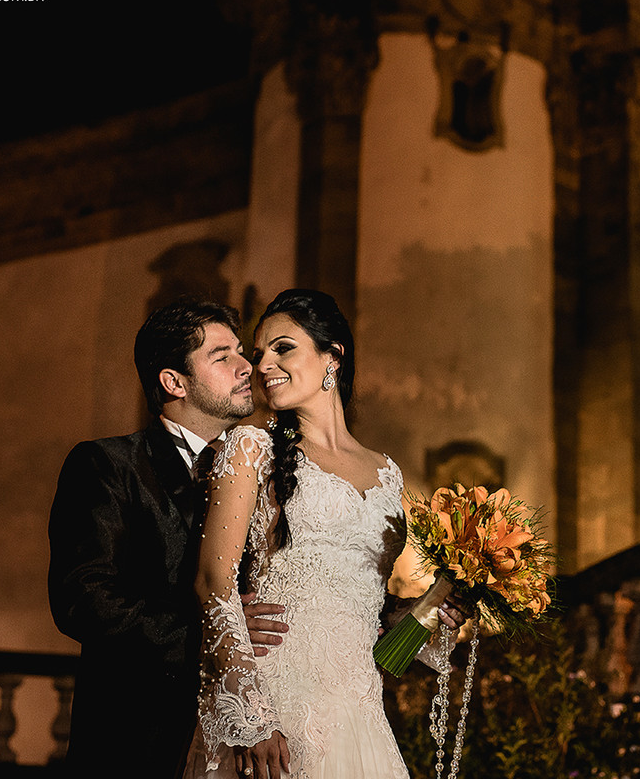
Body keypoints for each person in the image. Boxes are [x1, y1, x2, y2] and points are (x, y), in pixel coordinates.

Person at [185, 289, 465, 779]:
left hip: (358, 716)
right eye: (259, 353)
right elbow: (214, 583)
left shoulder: (387, 475)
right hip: (274, 709)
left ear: (332, 354)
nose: (261, 364)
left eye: (282, 348)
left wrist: (430, 608)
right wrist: (253, 721)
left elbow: (371, 627)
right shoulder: (251, 448)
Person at [49, 299, 289, 779]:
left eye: (242, 351)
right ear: (174, 382)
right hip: (138, 744)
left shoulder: (272, 476)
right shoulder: (108, 465)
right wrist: (217, 627)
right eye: (223, 357)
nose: (249, 367)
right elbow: (83, 600)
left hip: (248, 749)